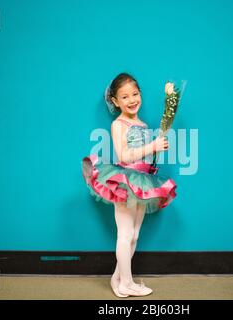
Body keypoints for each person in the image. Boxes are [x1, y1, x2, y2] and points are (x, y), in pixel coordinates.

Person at [81, 72, 177, 297]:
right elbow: (124, 156)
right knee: (124, 234)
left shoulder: (143, 124)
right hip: (125, 181)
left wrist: (155, 151)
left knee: (134, 235)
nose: (132, 100)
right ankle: (127, 282)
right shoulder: (118, 124)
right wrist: (152, 147)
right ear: (115, 101)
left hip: (142, 182)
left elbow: (143, 155)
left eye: (135, 94)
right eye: (125, 97)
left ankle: (118, 279)